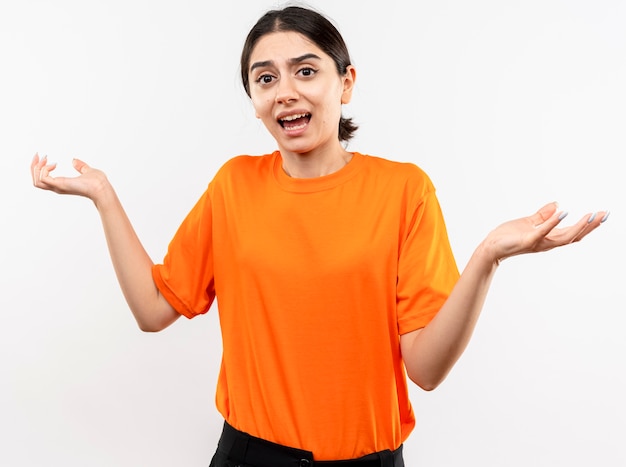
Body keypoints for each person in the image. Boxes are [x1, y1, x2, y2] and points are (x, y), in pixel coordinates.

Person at [30, 4, 608, 467]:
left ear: (345, 82)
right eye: (265, 78)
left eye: (306, 70)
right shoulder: (234, 186)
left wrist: (487, 259)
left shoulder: (405, 191)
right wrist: (104, 196)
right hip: (248, 456)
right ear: (254, 101)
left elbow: (426, 371)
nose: (285, 91)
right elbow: (155, 309)